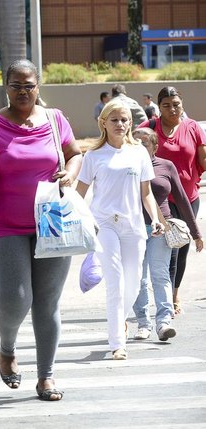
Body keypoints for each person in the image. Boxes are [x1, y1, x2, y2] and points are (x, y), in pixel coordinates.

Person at [0, 59, 82, 401]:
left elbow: (75, 154)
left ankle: (46, 376)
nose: (22, 91)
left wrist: (72, 172)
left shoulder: (54, 119)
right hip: (6, 225)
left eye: (29, 85)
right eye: (16, 85)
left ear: (38, 86)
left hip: (51, 221)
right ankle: (7, 348)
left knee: (47, 303)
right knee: (16, 299)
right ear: (6, 86)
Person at [76, 99, 164, 361]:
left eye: (124, 120)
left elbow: (146, 193)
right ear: (103, 122)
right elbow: (79, 194)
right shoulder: (92, 156)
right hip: (104, 224)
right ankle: (117, 342)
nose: (120, 124)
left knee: (134, 283)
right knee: (114, 281)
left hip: (134, 225)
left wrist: (155, 218)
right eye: (114, 119)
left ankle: (120, 321)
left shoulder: (138, 153)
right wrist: (82, 222)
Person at [138, 86, 206, 314]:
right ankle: (163, 299)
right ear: (159, 108)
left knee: (181, 246)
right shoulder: (149, 127)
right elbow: (129, 144)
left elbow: (203, 157)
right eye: (166, 105)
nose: (172, 109)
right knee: (168, 249)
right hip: (159, 200)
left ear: (182, 104)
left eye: (176, 104)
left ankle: (174, 293)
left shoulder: (192, 127)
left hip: (188, 196)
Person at [131, 128, 202, 342]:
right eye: (135, 143)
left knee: (160, 274)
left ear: (154, 146)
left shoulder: (166, 166)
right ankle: (143, 324)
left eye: (144, 143)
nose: (140, 147)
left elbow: (181, 198)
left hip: (160, 228)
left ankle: (163, 322)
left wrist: (196, 232)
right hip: (132, 230)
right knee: (138, 278)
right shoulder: (126, 167)